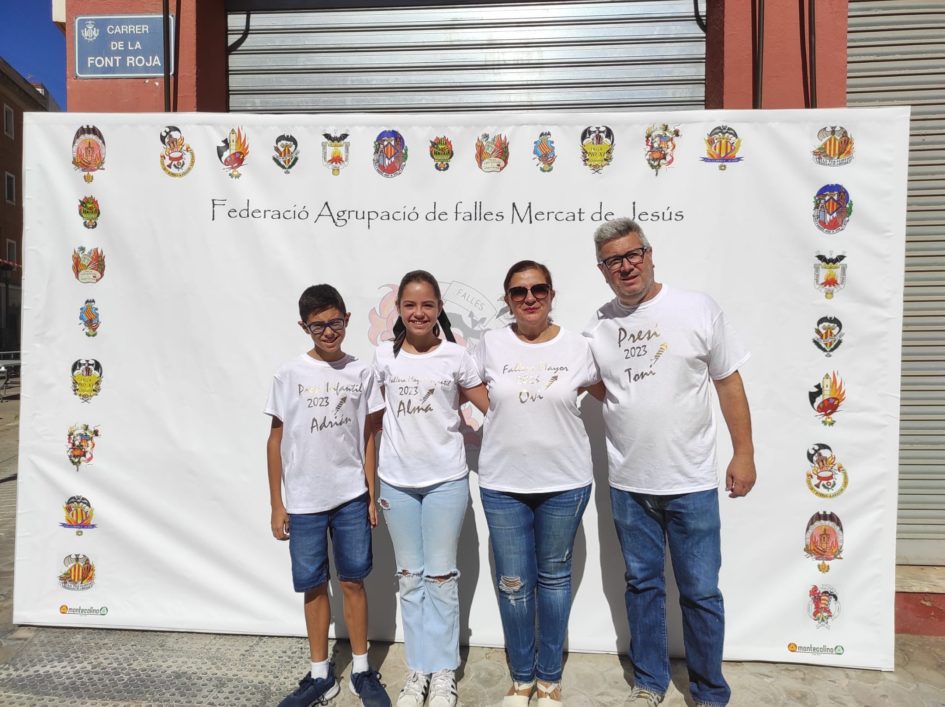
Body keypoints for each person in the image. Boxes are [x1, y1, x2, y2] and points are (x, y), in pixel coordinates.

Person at [582, 219, 756, 707]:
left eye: (632, 254)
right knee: (642, 586)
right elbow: (595, 383)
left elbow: (728, 382)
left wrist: (744, 453)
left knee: (701, 592)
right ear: (603, 270)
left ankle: (709, 691)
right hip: (629, 482)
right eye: (613, 260)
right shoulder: (599, 325)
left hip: (692, 480)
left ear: (650, 253)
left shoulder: (697, 308)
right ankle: (650, 682)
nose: (626, 266)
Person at [473, 260, 599, 706]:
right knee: (513, 583)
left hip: (565, 483)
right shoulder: (489, 344)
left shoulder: (578, 347)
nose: (529, 298)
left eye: (538, 289)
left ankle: (548, 681)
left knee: (554, 579)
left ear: (551, 294)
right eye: (519, 291)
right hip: (503, 483)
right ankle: (520, 679)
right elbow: (466, 387)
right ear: (507, 299)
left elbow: (612, 392)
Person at [265, 284, 390, 707]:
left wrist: (370, 493)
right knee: (314, 586)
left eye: (335, 322)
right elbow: (275, 440)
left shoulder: (362, 372)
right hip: (303, 502)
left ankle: (360, 670)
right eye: (318, 325)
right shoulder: (289, 374)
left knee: (353, 581)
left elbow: (370, 435)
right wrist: (277, 503)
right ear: (304, 326)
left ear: (347, 320)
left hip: (351, 495)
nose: (328, 331)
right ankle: (320, 675)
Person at [371, 270, 489, 707]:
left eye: (427, 304)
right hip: (396, 484)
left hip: (446, 482)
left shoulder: (456, 357)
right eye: (409, 305)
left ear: (439, 308)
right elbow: (370, 421)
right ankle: (417, 670)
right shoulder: (383, 356)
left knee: (440, 577)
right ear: (399, 309)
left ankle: (443, 672)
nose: (418, 313)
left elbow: (491, 408)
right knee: (409, 578)